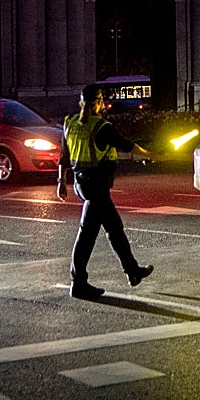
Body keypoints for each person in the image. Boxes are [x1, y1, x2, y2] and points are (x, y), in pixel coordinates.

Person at [56, 84, 154, 299]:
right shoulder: (102, 127)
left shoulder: (70, 122)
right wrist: (149, 154)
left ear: (81, 102)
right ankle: (78, 283)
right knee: (87, 236)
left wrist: (61, 182)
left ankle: (132, 271)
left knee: (114, 228)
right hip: (97, 187)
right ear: (100, 102)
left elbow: (64, 156)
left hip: (82, 184)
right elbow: (127, 145)